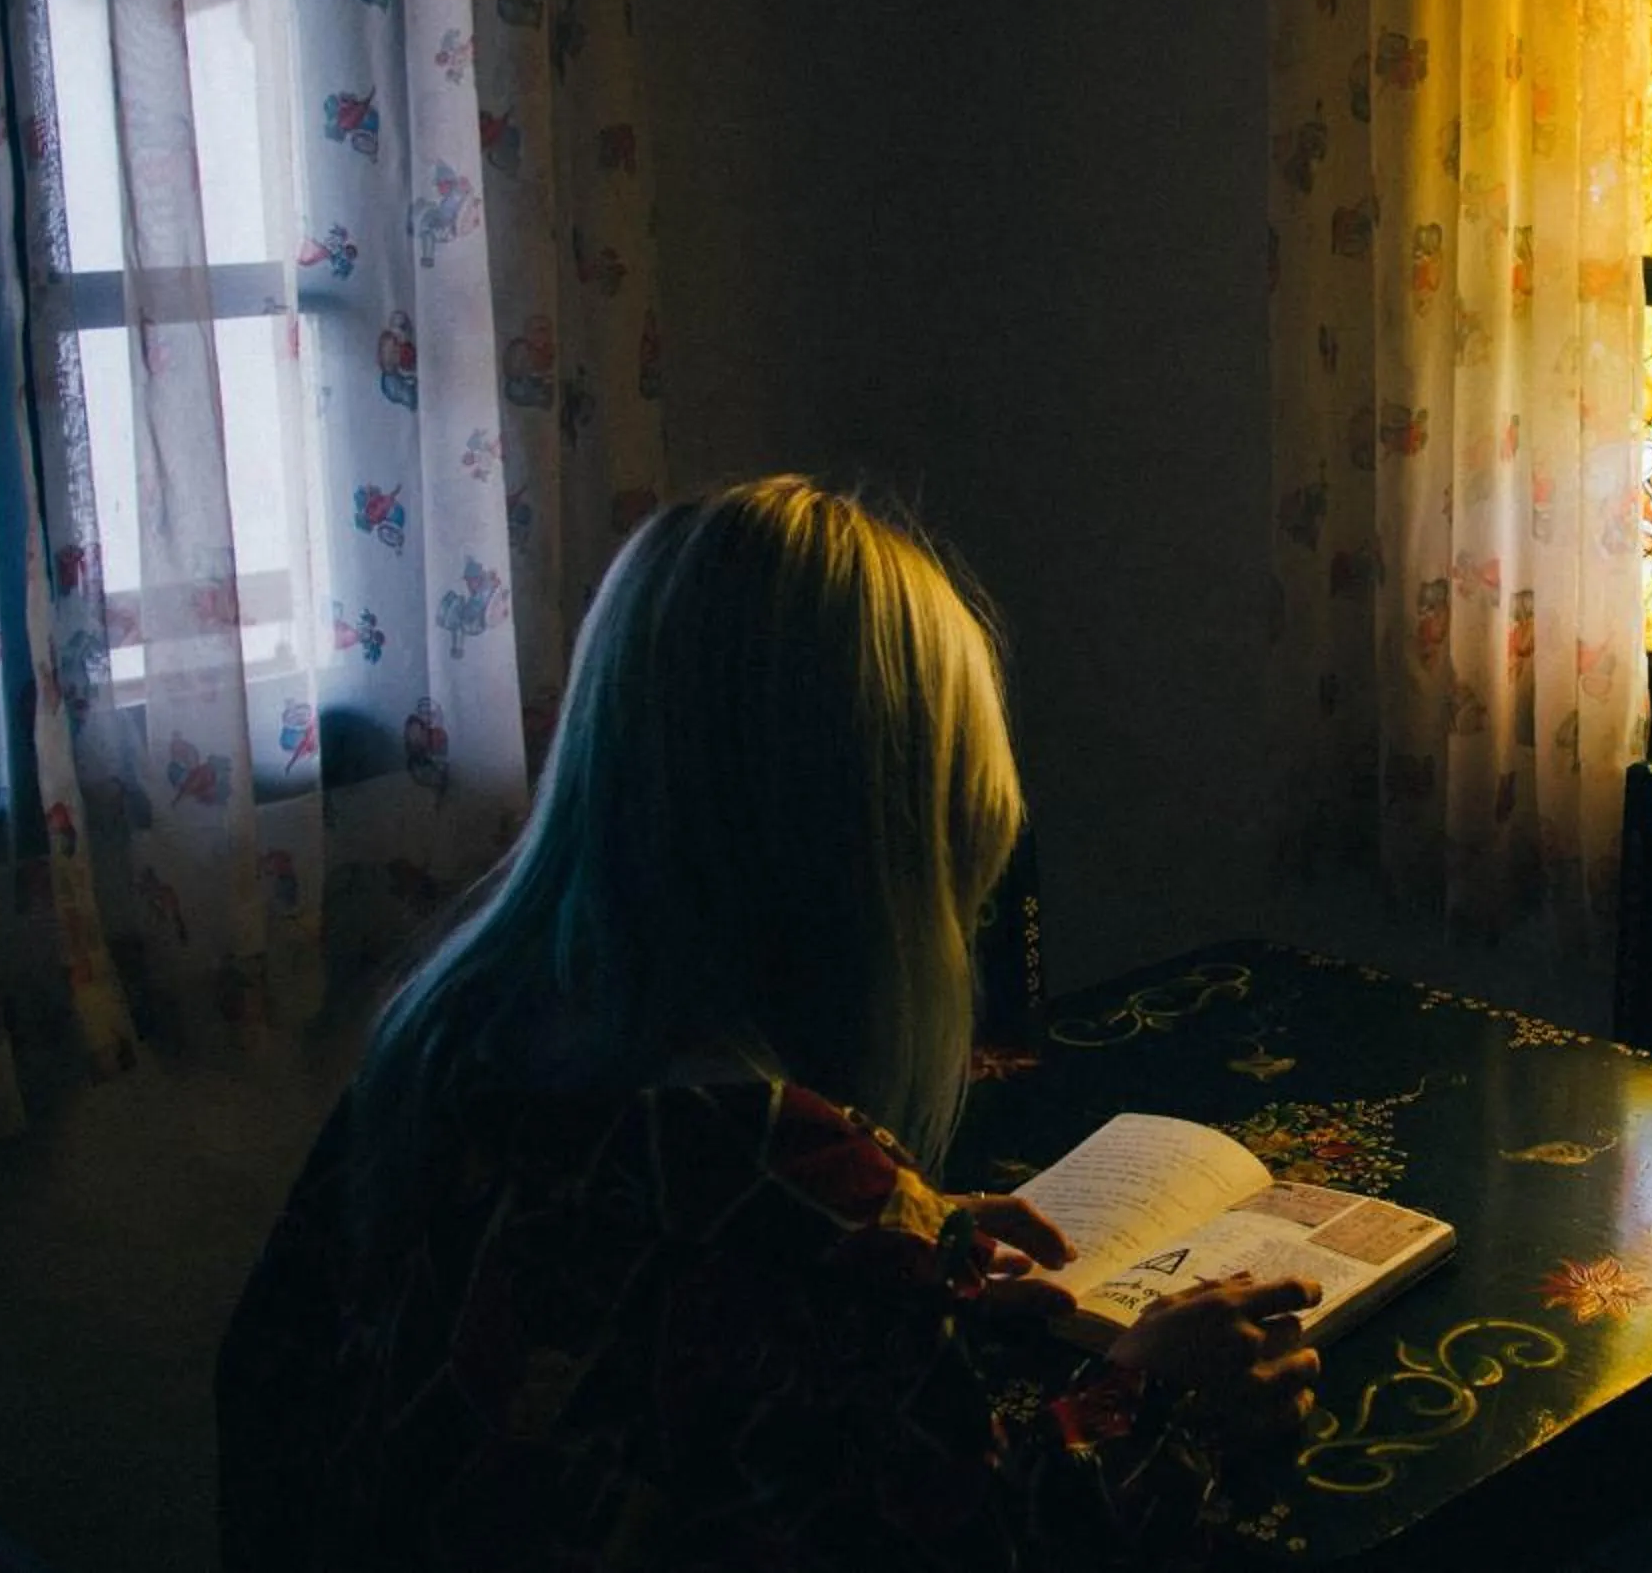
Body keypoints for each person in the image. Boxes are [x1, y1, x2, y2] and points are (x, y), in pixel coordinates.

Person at [217, 477, 1318, 1569]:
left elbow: (271, 1392)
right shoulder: (790, 1183)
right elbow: (985, 1544)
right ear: (870, 865)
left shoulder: (444, 1044)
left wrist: (890, 1245)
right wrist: (1148, 1400)